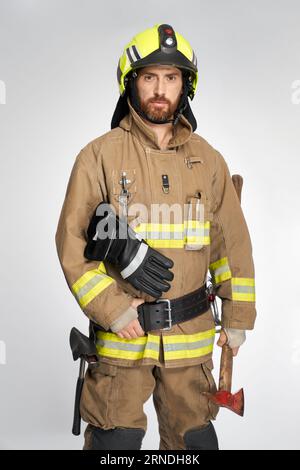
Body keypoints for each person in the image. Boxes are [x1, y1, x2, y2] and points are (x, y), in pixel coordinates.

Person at [55, 23, 256, 450]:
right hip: (122, 346)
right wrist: (112, 310)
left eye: (171, 77)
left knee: (193, 445)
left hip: (192, 344)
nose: (160, 89)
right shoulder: (99, 156)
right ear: (131, 84)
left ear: (186, 85)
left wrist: (237, 318)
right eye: (149, 77)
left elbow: (230, 247)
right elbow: (72, 242)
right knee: (116, 445)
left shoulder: (210, 161)